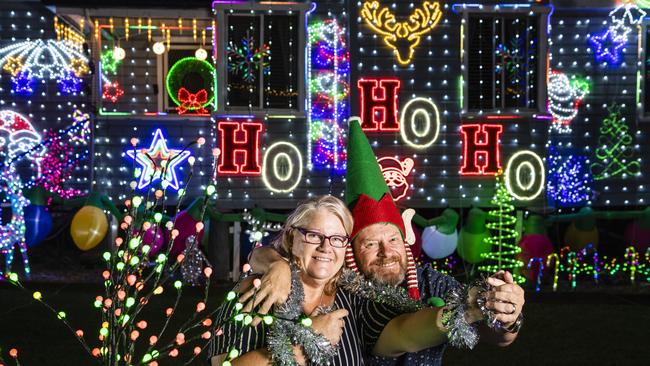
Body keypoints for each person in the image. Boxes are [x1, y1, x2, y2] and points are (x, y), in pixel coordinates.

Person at [242, 120, 525, 365]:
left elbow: (499, 336)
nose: (386, 252)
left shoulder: (432, 283)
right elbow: (402, 333)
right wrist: (277, 265)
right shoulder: (346, 294)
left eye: (392, 239)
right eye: (369, 244)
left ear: (406, 239)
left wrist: (506, 312)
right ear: (349, 251)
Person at [208, 196, 485, 366]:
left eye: (337, 239)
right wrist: (306, 343)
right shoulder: (255, 292)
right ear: (292, 238)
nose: (326, 247)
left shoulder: (352, 297)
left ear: (345, 248)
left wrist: (466, 311)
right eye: (314, 235)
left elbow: (403, 334)